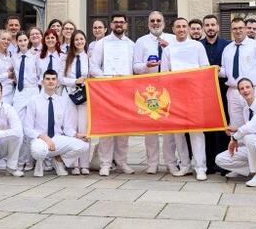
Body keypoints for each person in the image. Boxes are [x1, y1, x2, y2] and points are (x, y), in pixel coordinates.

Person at [161, 17, 210, 180]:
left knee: (197, 132)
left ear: (188, 29)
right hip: (175, 97)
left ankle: (200, 167)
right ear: (173, 30)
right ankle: (185, 165)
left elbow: (205, 69)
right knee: (178, 134)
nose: (181, 29)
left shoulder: (197, 46)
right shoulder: (168, 50)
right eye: (178, 27)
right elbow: (164, 75)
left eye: (184, 26)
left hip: (195, 95)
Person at [89, 13, 135, 175]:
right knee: (107, 129)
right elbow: (93, 67)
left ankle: (122, 162)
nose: (119, 25)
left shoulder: (131, 44)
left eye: (122, 22)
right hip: (107, 91)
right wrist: (107, 77)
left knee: (124, 130)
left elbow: (134, 68)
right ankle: (105, 164)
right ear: (111, 25)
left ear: (126, 25)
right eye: (116, 22)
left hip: (125, 91)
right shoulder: (101, 44)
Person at [133, 11, 177, 174]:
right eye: (153, 21)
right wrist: (146, 66)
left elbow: (180, 62)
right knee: (150, 128)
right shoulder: (141, 41)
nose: (156, 23)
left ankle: (171, 162)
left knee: (168, 129)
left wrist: (169, 49)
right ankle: (152, 163)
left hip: (168, 87)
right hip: (148, 89)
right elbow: (135, 66)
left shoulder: (172, 39)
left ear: (164, 23)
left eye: (159, 20)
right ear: (148, 24)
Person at [23, 70, 89, 177]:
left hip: (57, 139)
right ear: (42, 82)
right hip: (40, 139)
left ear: (57, 82)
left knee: (84, 146)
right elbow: (27, 128)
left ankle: (58, 160)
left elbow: (67, 128)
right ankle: (39, 163)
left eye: (53, 79)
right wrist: (44, 137)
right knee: (39, 151)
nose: (50, 81)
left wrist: (77, 135)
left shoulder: (63, 101)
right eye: (48, 79)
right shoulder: (34, 101)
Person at [220, 18, 256, 135]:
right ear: (232, 30)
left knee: (254, 126)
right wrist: (213, 70)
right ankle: (239, 151)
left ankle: (255, 152)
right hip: (233, 92)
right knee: (235, 126)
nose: (238, 31)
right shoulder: (227, 49)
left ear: (245, 29)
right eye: (235, 28)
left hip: (252, 90)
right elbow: (224, 71)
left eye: (240, 28)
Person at [215, 78, 256, 184]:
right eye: (242, 89)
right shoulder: (245, 110)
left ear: (254, 89)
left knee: (249, 138)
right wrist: (236, 130)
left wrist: (235, 137)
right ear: (239, 92)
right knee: (220, 159)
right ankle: (254, 169)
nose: (245, 90)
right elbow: (250, 127)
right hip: (252, 146)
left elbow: (253, 126)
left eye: (248, 87)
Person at [200, 14, 230, 174]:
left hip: (223, 91)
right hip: (204, 93)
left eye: (213, 25)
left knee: (224, 127)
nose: (210, 28)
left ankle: (224, 164)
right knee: (208, 128)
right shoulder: (197, 45)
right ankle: (210, 164)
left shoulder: (228, 45)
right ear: (204, 28)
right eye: (207, 25)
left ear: (218, 27)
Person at [10, 30, 41, 171]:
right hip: (20, 92)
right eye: (20, 40)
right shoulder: (14, 57)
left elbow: (40, 74)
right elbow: (12, 73)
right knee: (19, 126)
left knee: (31, 125)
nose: (22, 43)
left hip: (32, 90)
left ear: (28, 41)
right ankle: (20, 159)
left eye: (24, 40)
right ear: (16, 42)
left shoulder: (35, 56)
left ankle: (29, 160)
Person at [62, 30, 92, 174]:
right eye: (76, 40)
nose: (79, 42)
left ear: (85, 40)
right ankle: (74, 164)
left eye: (81, 39)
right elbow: (61, 79)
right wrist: (74, 81)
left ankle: (84, 164)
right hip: (70, 96)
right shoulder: (66, 58)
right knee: (72, 129)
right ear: (72, 42)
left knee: (84, 129)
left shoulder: (89, 57)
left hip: (86, 98)